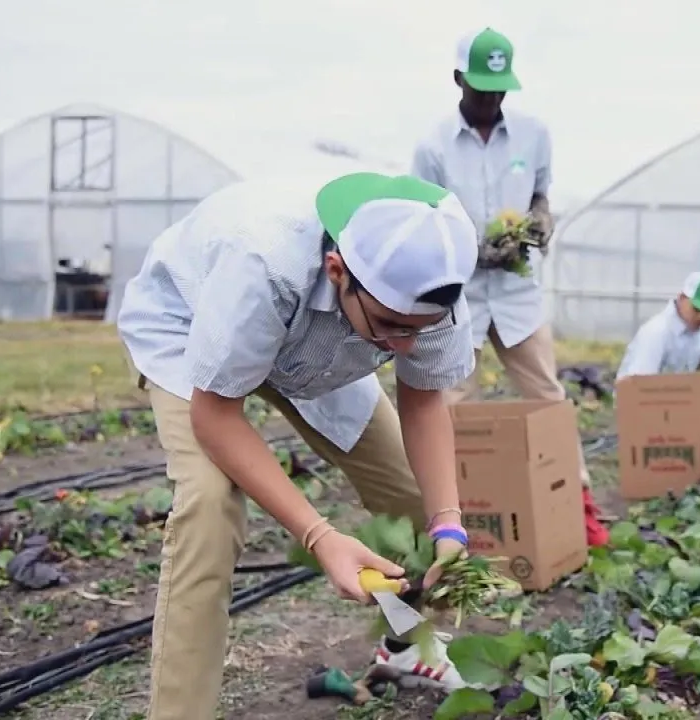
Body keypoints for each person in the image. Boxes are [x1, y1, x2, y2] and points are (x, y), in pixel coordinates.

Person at [116, 172, 482, 719]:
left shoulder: (432, 278)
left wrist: (448, 524)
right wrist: (320, 536)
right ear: (339, 272)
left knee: (411, 498)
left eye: (419, 329)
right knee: (210, 509)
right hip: (190, 326)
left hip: (322, 337)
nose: (404, 344)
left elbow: (425, 397)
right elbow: (217, 414)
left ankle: (406, 647)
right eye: (391, 326)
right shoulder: (263, 261)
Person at [410, 26, 610, 547]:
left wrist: (541, 221)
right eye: (481, 88)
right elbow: (424, 221)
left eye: (500, 87)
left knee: (547, 398)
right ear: (458, 80)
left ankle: (578, 506)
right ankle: (452, 520)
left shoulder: (533, 135)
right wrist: (473, 250)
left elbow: (541, 196)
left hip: (519, 297)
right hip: (459, 300)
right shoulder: (433, 147)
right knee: (449, 405)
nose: (492, 98)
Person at [616, 271, 700, 393]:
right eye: (696, 309)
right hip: (648, 399)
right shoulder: (656, 332)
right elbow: (638, 384)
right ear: (682, 298)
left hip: (680, 394)